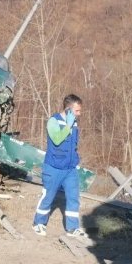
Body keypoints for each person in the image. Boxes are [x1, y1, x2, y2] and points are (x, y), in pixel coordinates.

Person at [32, 94, 89, 239]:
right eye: (77, 111)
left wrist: (75, 160)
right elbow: (57, 140)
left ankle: (73, 228)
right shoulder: (53, 121)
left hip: (70, 169)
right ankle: (39, 223)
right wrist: (68, 125)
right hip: (54, 167)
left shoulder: (74, 123)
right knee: (48, 196)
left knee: (73, 198)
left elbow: (73, 144)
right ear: (69, 110)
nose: (79, 114)